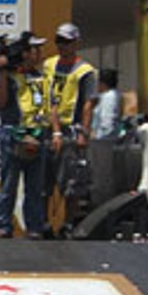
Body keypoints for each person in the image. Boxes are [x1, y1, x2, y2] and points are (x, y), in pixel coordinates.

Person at [0, 31, 53, 239]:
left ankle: (34, 226)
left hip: (37, 133)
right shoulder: (7, 74)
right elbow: (1, 102)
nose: (38, 53)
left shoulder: (41, 76)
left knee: (35, 185)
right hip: (13, 132)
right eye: (34, 49)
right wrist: (2, 72)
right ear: (24, 53)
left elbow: (49, 104)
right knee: (9, 183)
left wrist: (55, 131)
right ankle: (3, 225)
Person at [44, 23, 98, 234]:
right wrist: (54, 129)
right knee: (45, 179)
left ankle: (67, 224)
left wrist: (84, 132)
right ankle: (44, 223)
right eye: (59, 41)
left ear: (76, 43)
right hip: (49, 127)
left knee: (71, 181)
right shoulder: (49, 65)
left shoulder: (85, 71)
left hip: (71, 130)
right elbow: (47, 96)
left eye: (67, 42)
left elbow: (88, 104)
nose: (62, 46)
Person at [92, 68, 122, 142]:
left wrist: (96, 137)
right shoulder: (107, 95)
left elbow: (107, 123)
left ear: (103, 83)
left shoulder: (109, 97)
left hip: (104, 141)